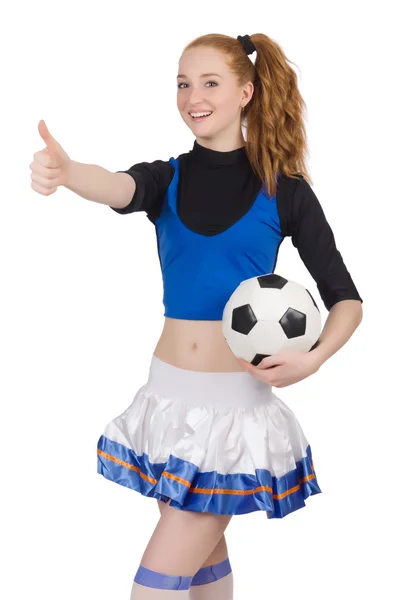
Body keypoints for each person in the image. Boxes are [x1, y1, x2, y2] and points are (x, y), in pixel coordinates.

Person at [30, 32, 363, 600]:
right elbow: (116, 185)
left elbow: (347, 300)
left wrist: (312, 360)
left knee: (154, 586)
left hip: (235, 416)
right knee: (205, 566)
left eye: (210, 82)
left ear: (246, 92)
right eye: (183, 83)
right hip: (165, 402)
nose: (193, 96)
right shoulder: (168, 178)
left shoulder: (285, 191)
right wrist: (68, 171)